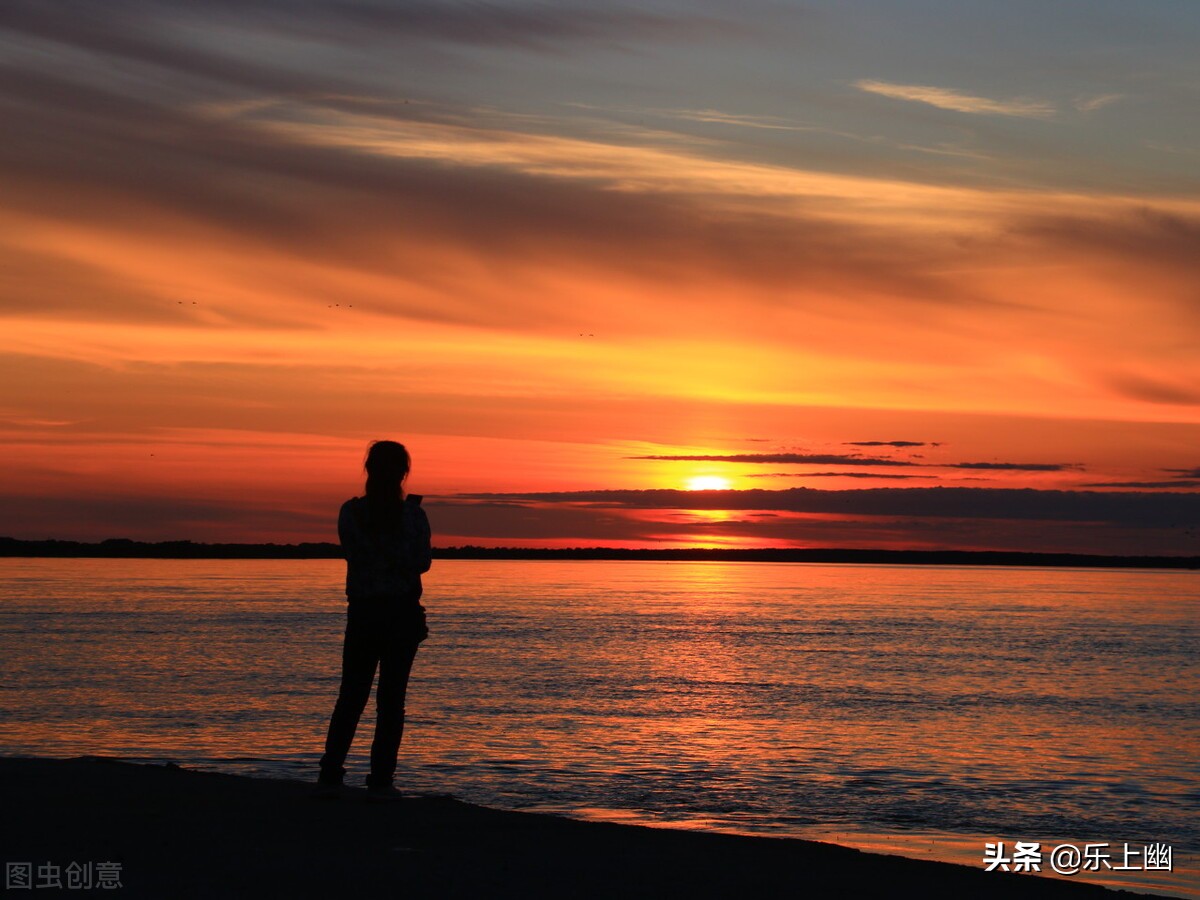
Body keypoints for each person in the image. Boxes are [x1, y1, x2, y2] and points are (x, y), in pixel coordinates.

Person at [317, 440, 432, 799]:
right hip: (399, 613)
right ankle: (381, 779)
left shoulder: (351, 513)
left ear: (368, 470)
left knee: (351, 695)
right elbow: (422, 562)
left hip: (365, 613)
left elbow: (353, 554)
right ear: (403, 473)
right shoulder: (412, 516)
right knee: (391, 699)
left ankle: (331, 771)